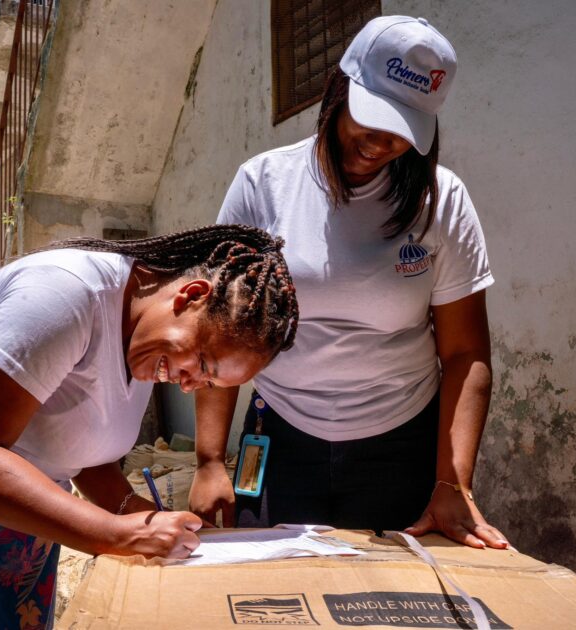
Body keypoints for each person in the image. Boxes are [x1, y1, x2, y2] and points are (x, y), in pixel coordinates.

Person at [0, 225, 299, 630]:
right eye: (201, 363)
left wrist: (140, 515)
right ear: (190, 297)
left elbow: (84, 457)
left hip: (21, 528)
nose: (188, 384)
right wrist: (118, 534)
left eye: (208, 381)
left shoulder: (143, 337)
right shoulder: (64, 292)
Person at [189, 16, 509, 550]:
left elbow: (465, 352)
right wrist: (209, 460)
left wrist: (453, 483)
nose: (383, 142)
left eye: (405, 130)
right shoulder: (263, 185)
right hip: (277, 436)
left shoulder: (441, 201)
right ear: (339, 89)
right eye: (374, 118)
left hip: (401, 443)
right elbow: (219, 330)